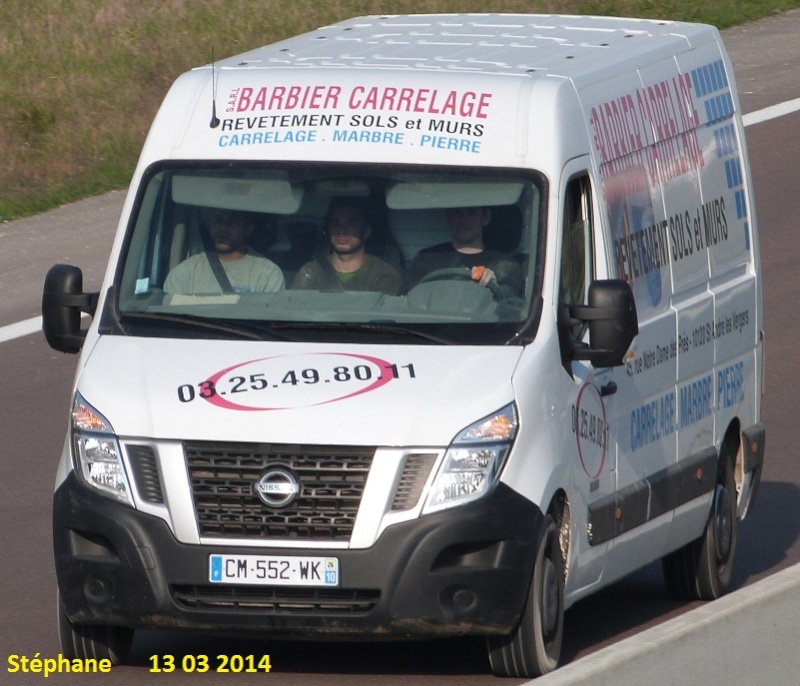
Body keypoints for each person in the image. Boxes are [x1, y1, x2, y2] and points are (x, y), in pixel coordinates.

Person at [403, 205, 522, 295]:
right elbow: (406, 301)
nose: (463, 219)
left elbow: (510, 308)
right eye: (456, 212)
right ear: (448, 217)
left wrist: (493, 287)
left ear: (486, 217)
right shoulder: (427, 258)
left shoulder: (503, 264)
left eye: (471, 212)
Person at [292, 198, 402, 294]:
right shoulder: (310, 273)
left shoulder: (384, 275)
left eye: (351, 224)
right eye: (336, 223)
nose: (342, 231)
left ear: (366, 232)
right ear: (329, 229)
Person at [164, 208, 285, 295]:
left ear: (248, 229)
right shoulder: (186, 272)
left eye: (233, 222)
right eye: (218, 220)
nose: (223, 228)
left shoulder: (267, 273)